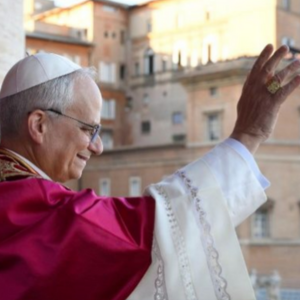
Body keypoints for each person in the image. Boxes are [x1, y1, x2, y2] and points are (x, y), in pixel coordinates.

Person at [0, 44, 299, 300]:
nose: (98, 147)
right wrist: (249, 134)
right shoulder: (36, 211)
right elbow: (152, 228)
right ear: (39, 125)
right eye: (89, 129)